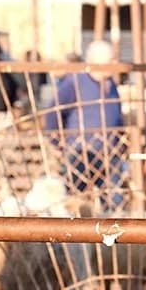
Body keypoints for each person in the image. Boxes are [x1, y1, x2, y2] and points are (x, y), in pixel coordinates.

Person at [42, 40, 126, 209]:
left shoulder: (111, 85)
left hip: (110, 151)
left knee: (114, 201)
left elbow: (116, 113)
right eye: (110, 61)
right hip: (81, 151)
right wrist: (57, 142)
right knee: (76, 199)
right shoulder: (75, 82)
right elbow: (54, 112)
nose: (114, 64)